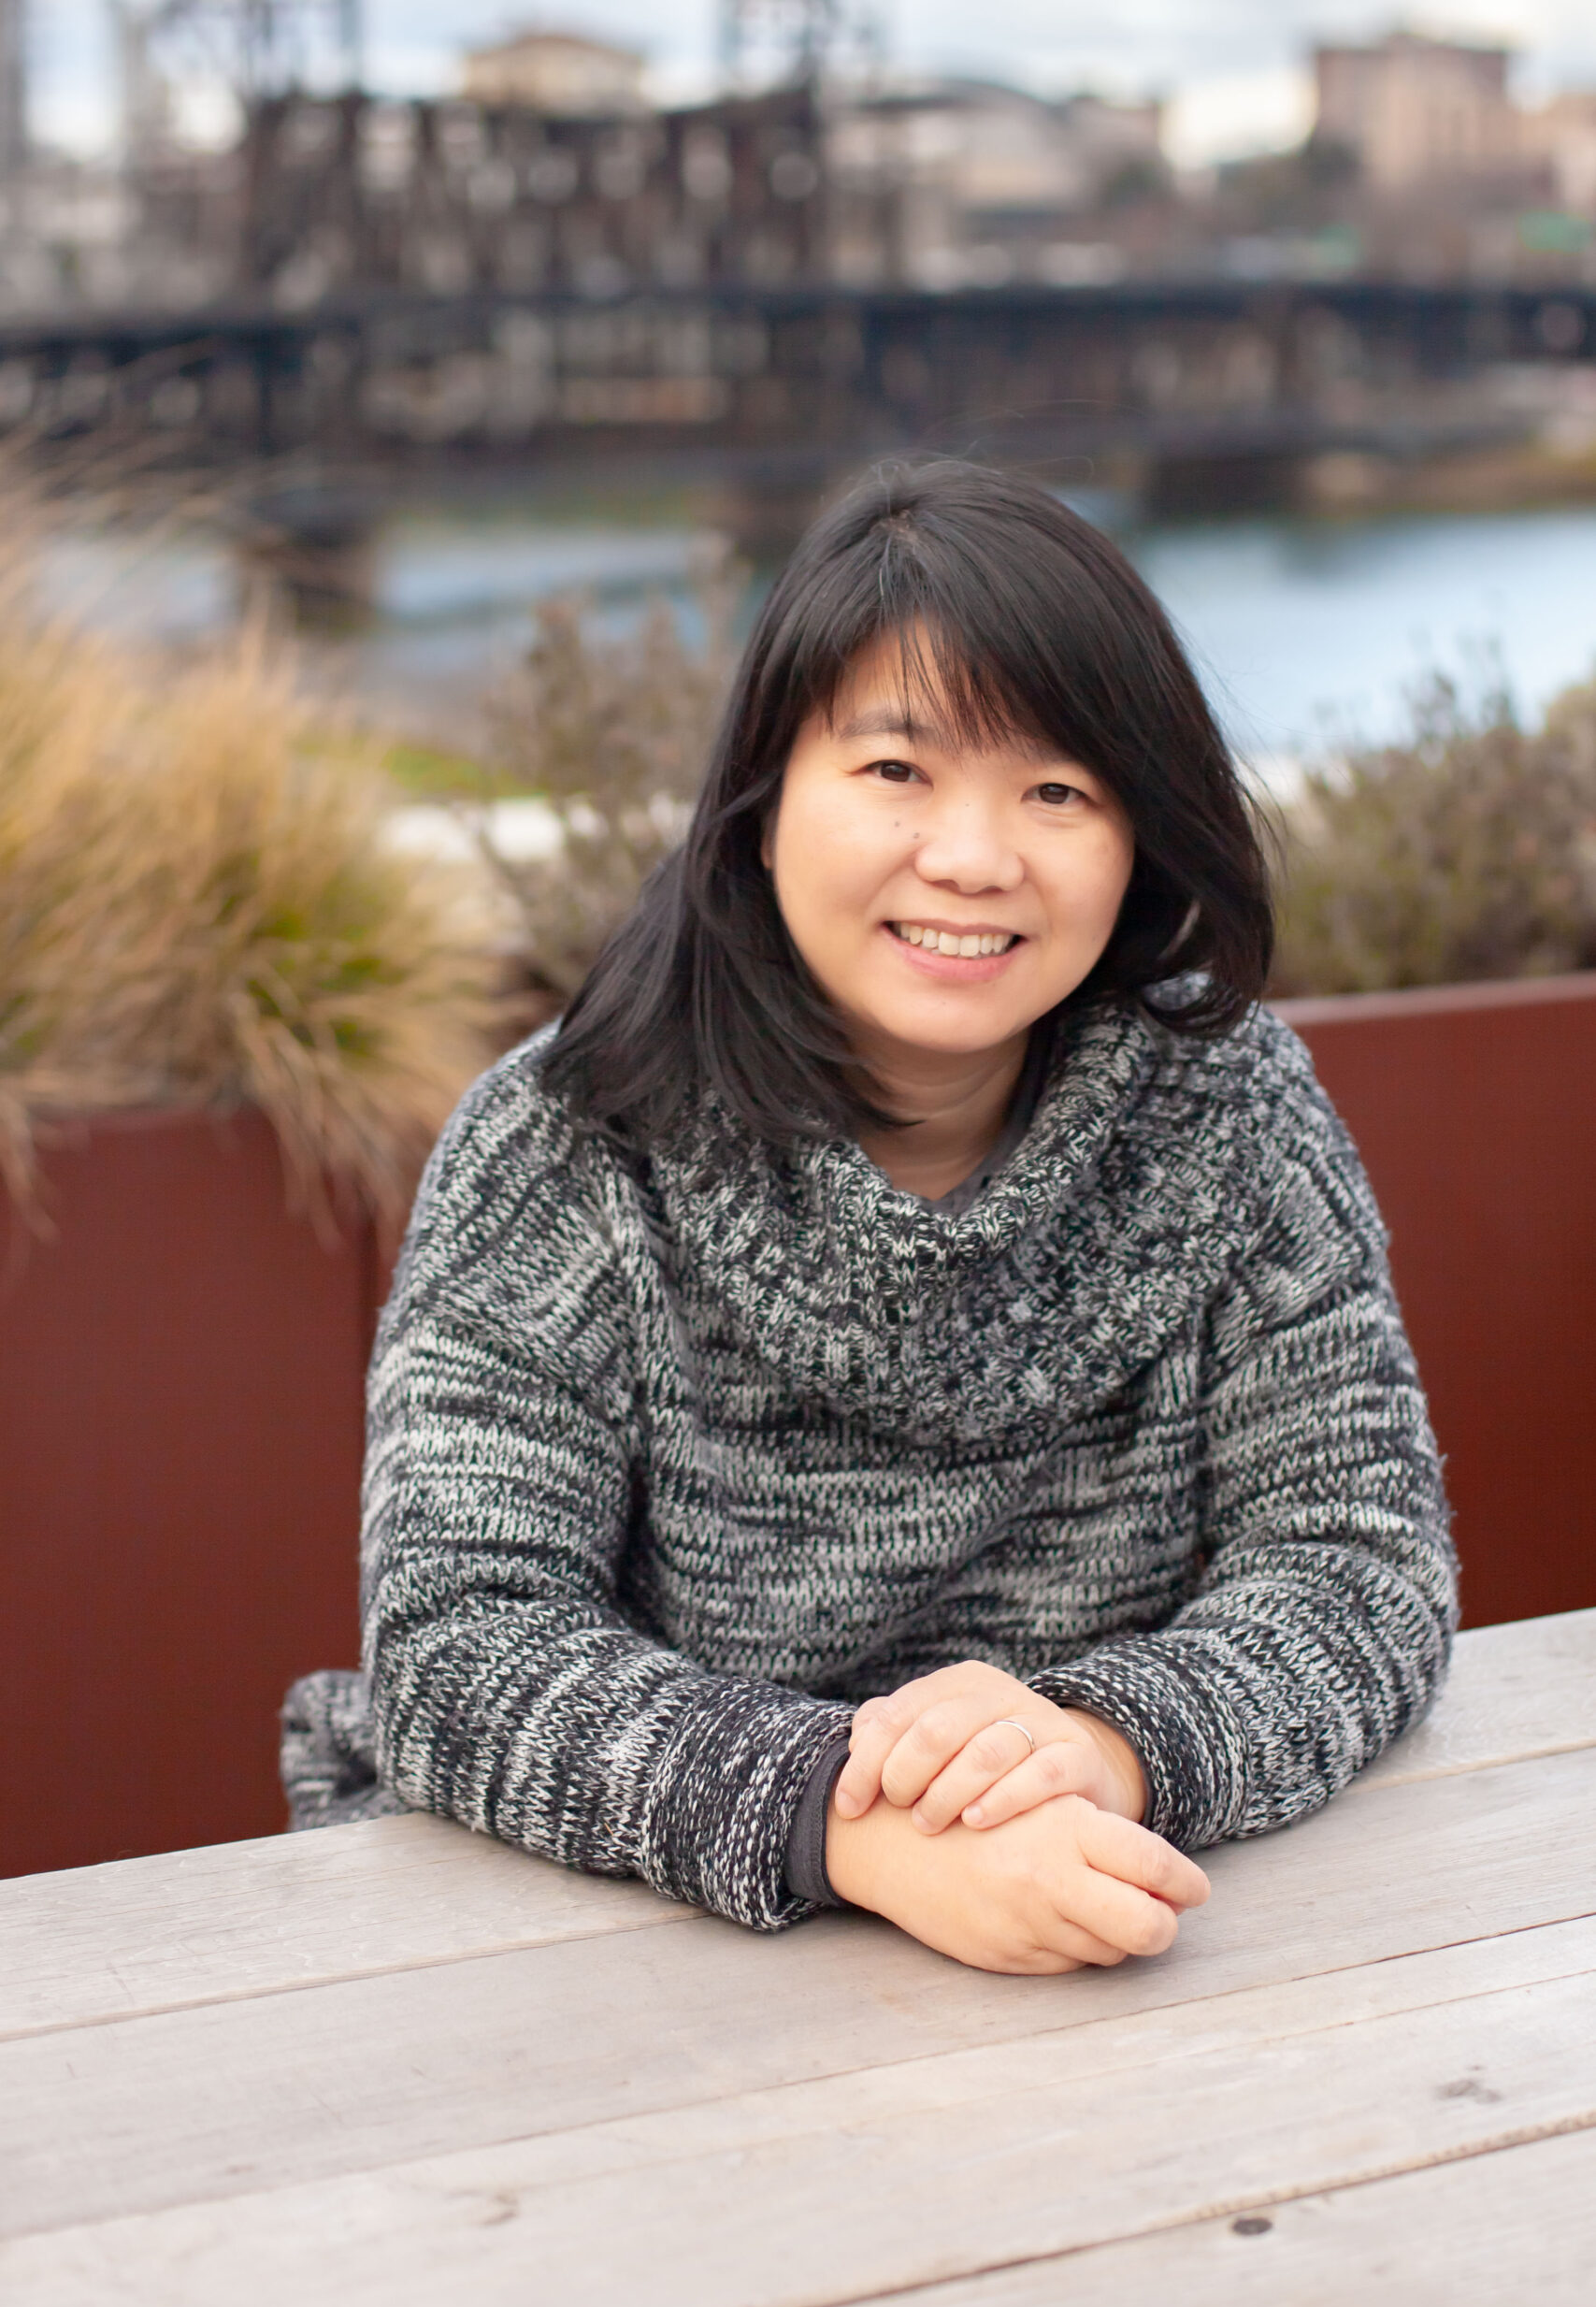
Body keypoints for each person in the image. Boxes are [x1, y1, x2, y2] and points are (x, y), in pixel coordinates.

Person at [282, 459, 1456, 1977]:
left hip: (1120, 1927)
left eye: (1057, 788)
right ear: (766, 803)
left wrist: (1099, 1748)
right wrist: (853, 1824)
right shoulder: (567, 1143)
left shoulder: (1232, 1111)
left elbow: (1360, 1561)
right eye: (896, 772)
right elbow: (461, 1643)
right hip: (605, 1968)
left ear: (1140, 834)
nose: (972, 858)